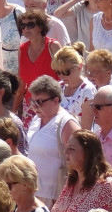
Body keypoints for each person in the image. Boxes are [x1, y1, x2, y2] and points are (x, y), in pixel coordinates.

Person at [26, 76, 81, 204]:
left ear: (56, 100)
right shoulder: (36, 120)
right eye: (32, 101)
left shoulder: (66, 123)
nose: (34, 106)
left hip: (56, 196)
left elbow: (79, 160)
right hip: (33, 192)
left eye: (39, 102)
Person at [18, 10, 62, 118]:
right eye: (23, 26)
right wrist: (14, 111)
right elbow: (21, 84)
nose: (26, 29)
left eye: (30, 25)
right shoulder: (22, 49)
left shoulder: (53, 46)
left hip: (52, 105)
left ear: (41, 27)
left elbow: (64, 77)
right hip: (30, 106)